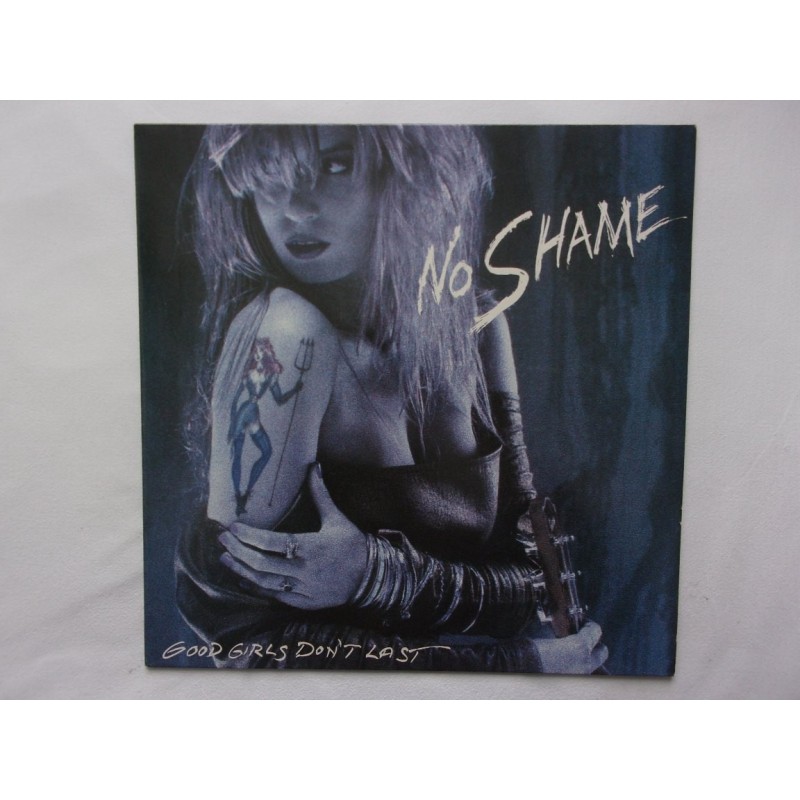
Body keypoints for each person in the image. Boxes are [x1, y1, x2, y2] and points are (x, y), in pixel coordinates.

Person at [176, 124, 608, 672]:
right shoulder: (289, 338)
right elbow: (247, 650)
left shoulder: (476, 324)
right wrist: (515, 664)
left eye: (334, 165)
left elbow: (540, 581)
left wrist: (374, 574)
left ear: (408, 173)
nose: (295, 209)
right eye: (269, 177)